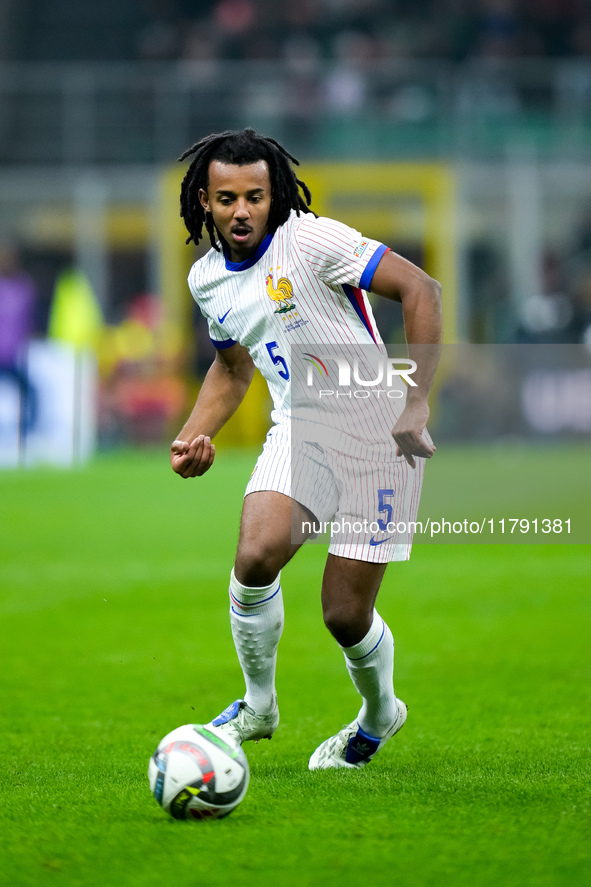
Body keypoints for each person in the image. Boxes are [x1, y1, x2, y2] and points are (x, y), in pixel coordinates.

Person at [170, 129, 442, 770]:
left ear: (275, 195)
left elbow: (422, 290)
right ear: (205, 202)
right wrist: (192, 432)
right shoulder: (207, 279)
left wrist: (418, 400)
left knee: (344, 616)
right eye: (228, 198)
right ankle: (258, 705)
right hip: (301, 429)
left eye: (256, 197)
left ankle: (380, 714)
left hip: (380, 435)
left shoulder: (313, 240)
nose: (243, 211)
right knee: (256, 554)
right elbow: (233, 369)